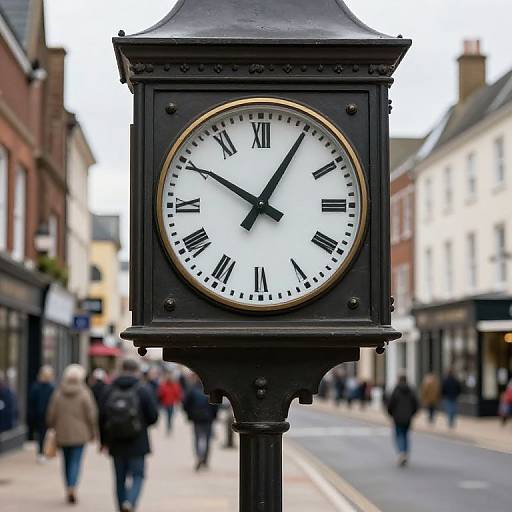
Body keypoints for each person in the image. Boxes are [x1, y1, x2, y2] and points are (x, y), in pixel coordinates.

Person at [99, 359, 159, 512]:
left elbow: (101, 417)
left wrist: (103, 441)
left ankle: (121, 506)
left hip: (115, 441)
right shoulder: (143, 389)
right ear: (136, 370)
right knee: (138, 475)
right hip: (138, 441)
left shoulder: (109, 389)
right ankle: (130, 502)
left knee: (120, 479)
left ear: (121, 369)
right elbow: (153, 416)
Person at [47, 364, 97, 504]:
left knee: (66, 461)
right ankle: (72, 486)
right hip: (80, 434)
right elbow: (91, 414)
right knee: (76, 461)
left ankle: (68, 486)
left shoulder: (58, 392)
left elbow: (51, 413)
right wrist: (93, 432)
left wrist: (51, 426)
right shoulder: (84, 393)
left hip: (62, 433)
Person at [183, 374, 218, 471]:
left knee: (197, 438)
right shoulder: (211, 389)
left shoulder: (192, 389)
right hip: (208, 417)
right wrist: (214, 416)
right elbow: (216, 404)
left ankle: (199, 455)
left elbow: (185, 403)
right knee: (207, 439)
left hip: (196, 417)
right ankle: (205, 459)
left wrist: (189, 414)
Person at [387, 373, 418, 467]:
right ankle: (405, 452)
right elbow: (416, 404)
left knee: (399, 435)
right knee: (405, 435)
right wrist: (411, 414)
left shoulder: (396, 390)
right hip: (407, 418)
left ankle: (401, 452)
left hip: (397, 417)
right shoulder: (411, 390)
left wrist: (391, 414)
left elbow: (390, 404)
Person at [28, 365, 55, 463]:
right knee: (45, 434)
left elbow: (31, 402)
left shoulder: (36, 386)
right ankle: (44, 453)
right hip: (45, 415)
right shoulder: (51, 387)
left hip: (39, 415)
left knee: (41, 435)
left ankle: (42, 453)